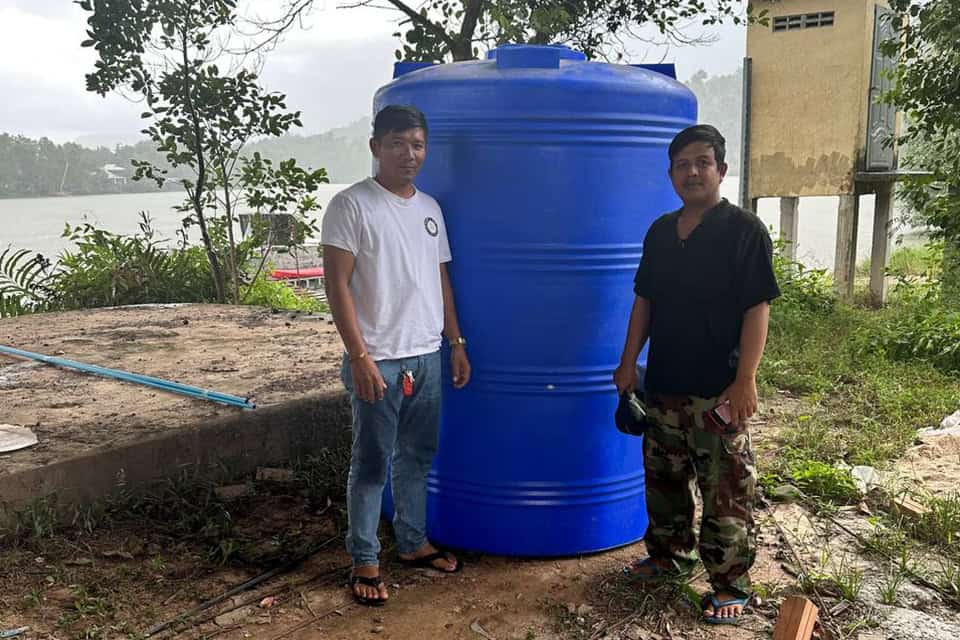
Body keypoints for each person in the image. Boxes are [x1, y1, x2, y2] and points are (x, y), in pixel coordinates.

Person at [612, 124, 780, 625]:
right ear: (670, 174)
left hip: (718, 390)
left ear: (721, 170)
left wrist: (745, 380)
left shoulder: (744, 231)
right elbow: (644, 301)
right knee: (664, 481)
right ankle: (669, 558)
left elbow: (757, 308)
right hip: (664, 383)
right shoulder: (661, 233)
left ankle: (730, 585)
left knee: (725, 490)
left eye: (702, 162)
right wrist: (628, 363)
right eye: (682, 164)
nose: (692, 172)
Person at [322, 104, 472, 607]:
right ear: (375, 147)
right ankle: (364, 558)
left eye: (417, 145)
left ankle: (412, 542)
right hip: (378, 359)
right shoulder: (351, 206)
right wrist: (359, 355)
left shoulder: (430, 209)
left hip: (426, 354)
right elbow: (336, 285)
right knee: (370, 464)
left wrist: (455, 343)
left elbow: (440, 279)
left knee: (417, 458)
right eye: (397, 144)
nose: (409, 154)